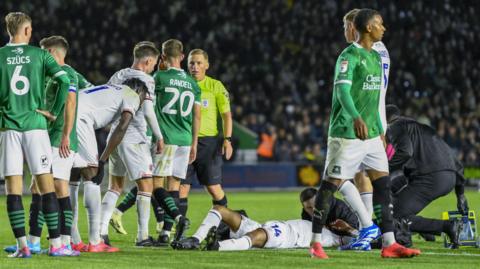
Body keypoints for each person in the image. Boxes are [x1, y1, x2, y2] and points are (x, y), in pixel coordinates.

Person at [309, 9, 420, 259]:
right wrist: (356, 117)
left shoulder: (375, 57)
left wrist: (380, 129)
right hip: (347, 134)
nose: (384, 28)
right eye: (380, 24)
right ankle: (315, 243)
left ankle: (389, 243)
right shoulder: (348, 56)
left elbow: (377, 97)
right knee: (330, 185)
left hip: (371, 135)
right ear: (368, 28)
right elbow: (343, 93)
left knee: (382, 185)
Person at [0, 12, 77, 258]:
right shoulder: (40, 55)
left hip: (8, 126)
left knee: (13, 188)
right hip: (35, 125)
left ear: (8, 30)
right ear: (27, 31)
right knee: (46, 185)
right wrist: (53, 113)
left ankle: (23, 246)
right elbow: (64, 81)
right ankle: (56, 246)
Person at [97, 41, 169, 247]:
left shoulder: (118, 75)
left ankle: (101, 233)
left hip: (115, 136)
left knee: (115, 186)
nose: (154, 67)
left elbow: (107, 103)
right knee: (146, 185)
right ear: (147, 61)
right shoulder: (146, 79)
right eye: (154, 64)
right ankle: (142, 236)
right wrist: (159, 136)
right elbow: (147, 112)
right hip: (134, 137)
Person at [75, 78, 148, 252]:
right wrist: (102, 160)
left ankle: (72, 239)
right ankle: (95, 242)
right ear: (138, 90)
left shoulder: (109, 88)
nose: (141, 103)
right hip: (81, 118)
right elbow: (122, 126)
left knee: (71, 178)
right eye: (143, 98)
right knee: (92, 175)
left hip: (68, 110)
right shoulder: (131, 94)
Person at [174, 188, 359, 251]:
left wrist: (350, 230)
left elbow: (361, 239)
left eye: (312, 207)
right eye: (307, 208)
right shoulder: (312, 219)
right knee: (220, 209)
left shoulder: (336, 230)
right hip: (276, 224)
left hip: (287, 236)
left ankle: (219, 247)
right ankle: (195, 239)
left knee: (257, 236)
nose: (311, 212)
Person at [385, 104, 466, 248]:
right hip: (450, 177)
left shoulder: (394, 126)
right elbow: (457, 163)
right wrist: (460, 195)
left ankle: (447, 227)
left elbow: (405, 152)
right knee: (395, 188)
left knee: (395, 216)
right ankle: (424, 230)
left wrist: (384, 169)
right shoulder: (423, 128)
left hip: (430, 177)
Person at [151, 39, 201, 245]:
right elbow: (197, 116)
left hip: (167, 138)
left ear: (162, 57)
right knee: (175, 187)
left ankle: (179, 219)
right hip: (185, 139)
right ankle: (166, 234)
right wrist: (195, 143)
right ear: (182, 57)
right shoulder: (193, 83)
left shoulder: (159, 77)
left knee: (155, 186)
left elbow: (150, 108)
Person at [342, 8, 391, 219]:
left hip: (368, 121)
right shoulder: (380, 50)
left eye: (344, 26)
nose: (344, 31)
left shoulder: (369, 53)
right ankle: (370, 226)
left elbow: (371, 93)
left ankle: (366, 225)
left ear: (353, 27)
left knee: (341, 176)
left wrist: (376, 126)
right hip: (375, 121)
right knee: (364, 175)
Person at [180, 48, 233, 220]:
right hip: (184, 140)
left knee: (213, 187)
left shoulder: (215, 86)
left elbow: (226, 116)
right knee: (182, 187)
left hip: (209, 144)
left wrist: (227, 140)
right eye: (191, 63)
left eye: (198, 63)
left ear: (207, 65)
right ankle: (177, 228)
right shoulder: (182, 84)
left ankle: (222, 223)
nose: (194, 67)